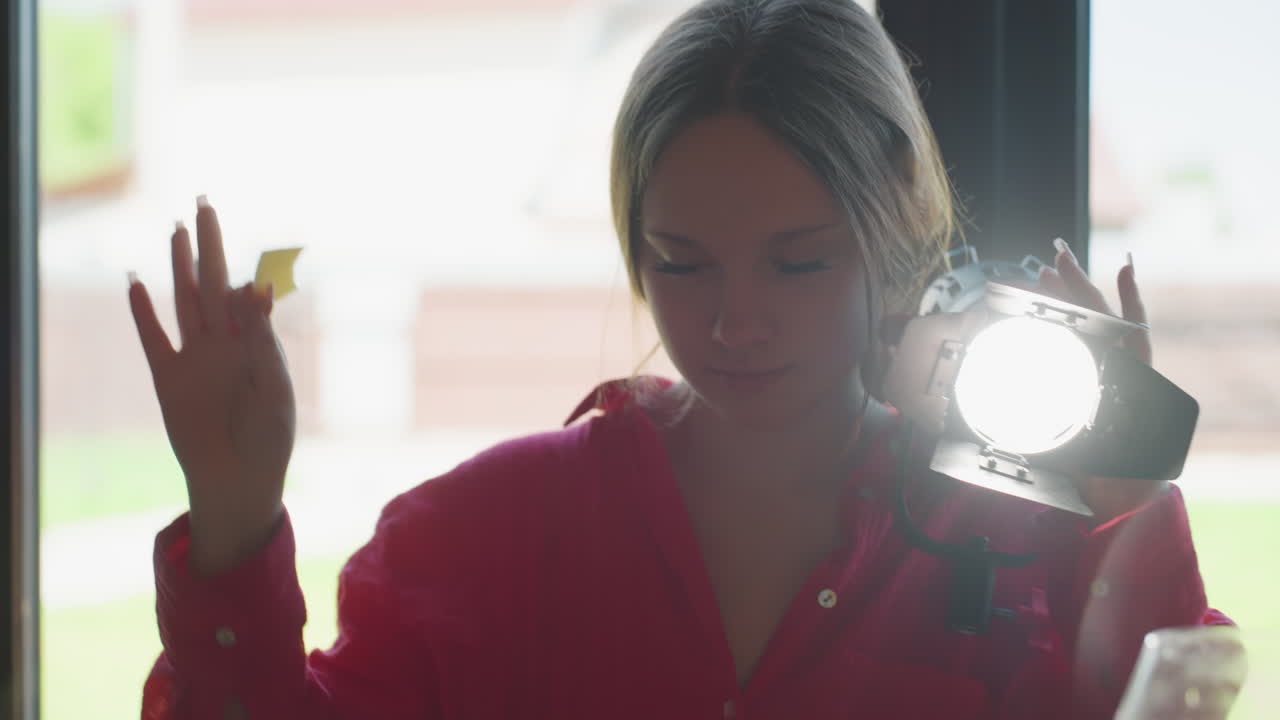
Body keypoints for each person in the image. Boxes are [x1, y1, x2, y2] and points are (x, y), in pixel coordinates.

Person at [128, 1, 1228, 718]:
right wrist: (233, 525)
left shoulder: (1015, 538)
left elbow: (1164, 694)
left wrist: (1126, 492)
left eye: (796, 264)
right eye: (682, 262)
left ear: (892, 221)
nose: (735, 322)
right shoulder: (485, 535)